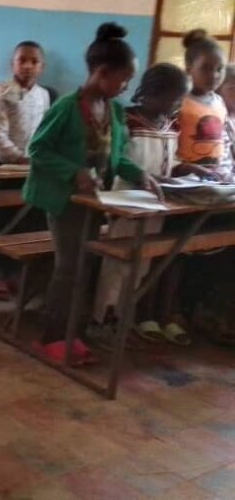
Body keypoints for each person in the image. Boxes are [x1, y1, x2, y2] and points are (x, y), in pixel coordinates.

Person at [23, 22, 159, 365]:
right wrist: (74, 172)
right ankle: (51, 337)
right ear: (102, 72)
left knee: (87, 266)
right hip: (64, 200)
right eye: (124, 79)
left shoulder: (114, 110)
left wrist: (140, 174)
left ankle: (75, 334)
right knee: (69, 267)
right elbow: (37, 149)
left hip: (95, 201)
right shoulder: (67, 107)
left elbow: (118, 156)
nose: (126, 86)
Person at [90, 63, 190, 348]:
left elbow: (170, 162)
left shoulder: (171, 124)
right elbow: (117, 160)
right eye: (174, 98)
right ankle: (101, 319)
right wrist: (144, 177)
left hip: (156, 204)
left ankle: (123, 319)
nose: (177, 105)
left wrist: (188, 169)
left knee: (142, 264)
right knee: (117, 265)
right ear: (153, 93)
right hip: (126, 202)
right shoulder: (127, 120)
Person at [0, 41, 51, 165]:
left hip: (32, 161)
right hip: (3, 163)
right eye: (21, 61)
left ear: (42, 67)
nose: (27, 66)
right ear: (12, 64)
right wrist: (19, 157)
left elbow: (44, 129)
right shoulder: (2, 93)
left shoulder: (44, 94)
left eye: (34, 62)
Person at [176, 29, 228, 174]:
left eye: (220, 69)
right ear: (189, 68)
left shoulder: (219, 102)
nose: (214, 75)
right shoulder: (178, 102)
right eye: (206, 68)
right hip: (184, 178)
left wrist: (225, 171)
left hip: (214, 178)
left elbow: (222, 141)